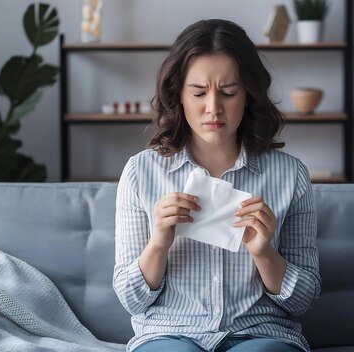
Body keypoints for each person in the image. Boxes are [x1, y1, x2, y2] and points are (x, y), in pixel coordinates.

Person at [113, 19, 321, 352]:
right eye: (198, 92)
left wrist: (264, 253)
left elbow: (304, 300)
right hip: (170, 333)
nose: (213, 108)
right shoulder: (141, 172)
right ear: (178, 94)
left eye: (228, 92)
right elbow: (130, 300)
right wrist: (158, 244)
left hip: (261, 334)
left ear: (249, 95)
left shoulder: (290, 175)